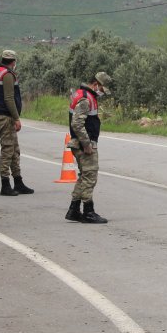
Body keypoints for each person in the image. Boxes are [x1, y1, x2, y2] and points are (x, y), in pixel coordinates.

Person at [65, 71, 111, 224]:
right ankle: (88, 212)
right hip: (84, 144)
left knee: (84, 176)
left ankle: (74, 210)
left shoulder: (81, 94)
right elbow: (77, 124)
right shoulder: (86, 98)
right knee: (90, 177)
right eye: (102, 89)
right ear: (96, 84)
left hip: (79, 143)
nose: (102, 93)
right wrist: (87, 144)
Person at [0, 49, 34, 197]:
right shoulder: (7, 75)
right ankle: (5, 184)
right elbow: (9, 98)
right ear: (13, 61)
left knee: (14, 150)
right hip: (5, 117)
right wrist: (16, 118)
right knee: (8, 150)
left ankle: (18, 182)